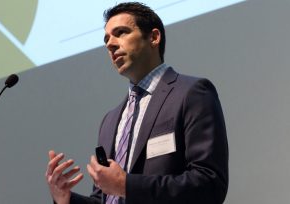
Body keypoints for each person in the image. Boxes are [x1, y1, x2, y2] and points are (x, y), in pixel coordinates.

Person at [45, 2, 228, 204]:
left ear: (154, 37)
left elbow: (209, 184)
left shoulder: (191, 93)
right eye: (106, 39)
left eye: (121, 32)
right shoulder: (110, 120)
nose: (110, 44)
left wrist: (126, 186)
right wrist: (65, 199)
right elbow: (105, 199)